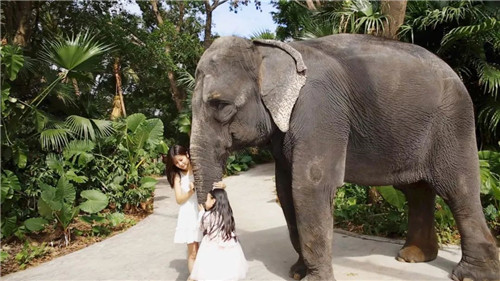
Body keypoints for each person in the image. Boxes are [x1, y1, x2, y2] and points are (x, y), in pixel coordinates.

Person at [165, 145, 225, 279]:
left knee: (210, 247)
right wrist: (191, 191)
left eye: (181, 159)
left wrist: (222, 185)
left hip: (204, 212)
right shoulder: (178, 176)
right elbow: (179, 200)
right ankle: (194, 277)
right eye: (176, 163)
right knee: (193, 253)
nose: (180, 164)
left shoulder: (199, 168)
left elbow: (215, 184)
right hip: (188, 215)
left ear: (187, 154)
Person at [190, 188, 248, 281]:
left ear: (213, 201)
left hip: (211, 247)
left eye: (207, 199)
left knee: (211, 273)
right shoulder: (226, 214)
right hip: (229, 246)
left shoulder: (208, 215)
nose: (205, 202)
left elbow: (201, 226)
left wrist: (201, 213)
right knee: (226, 273)